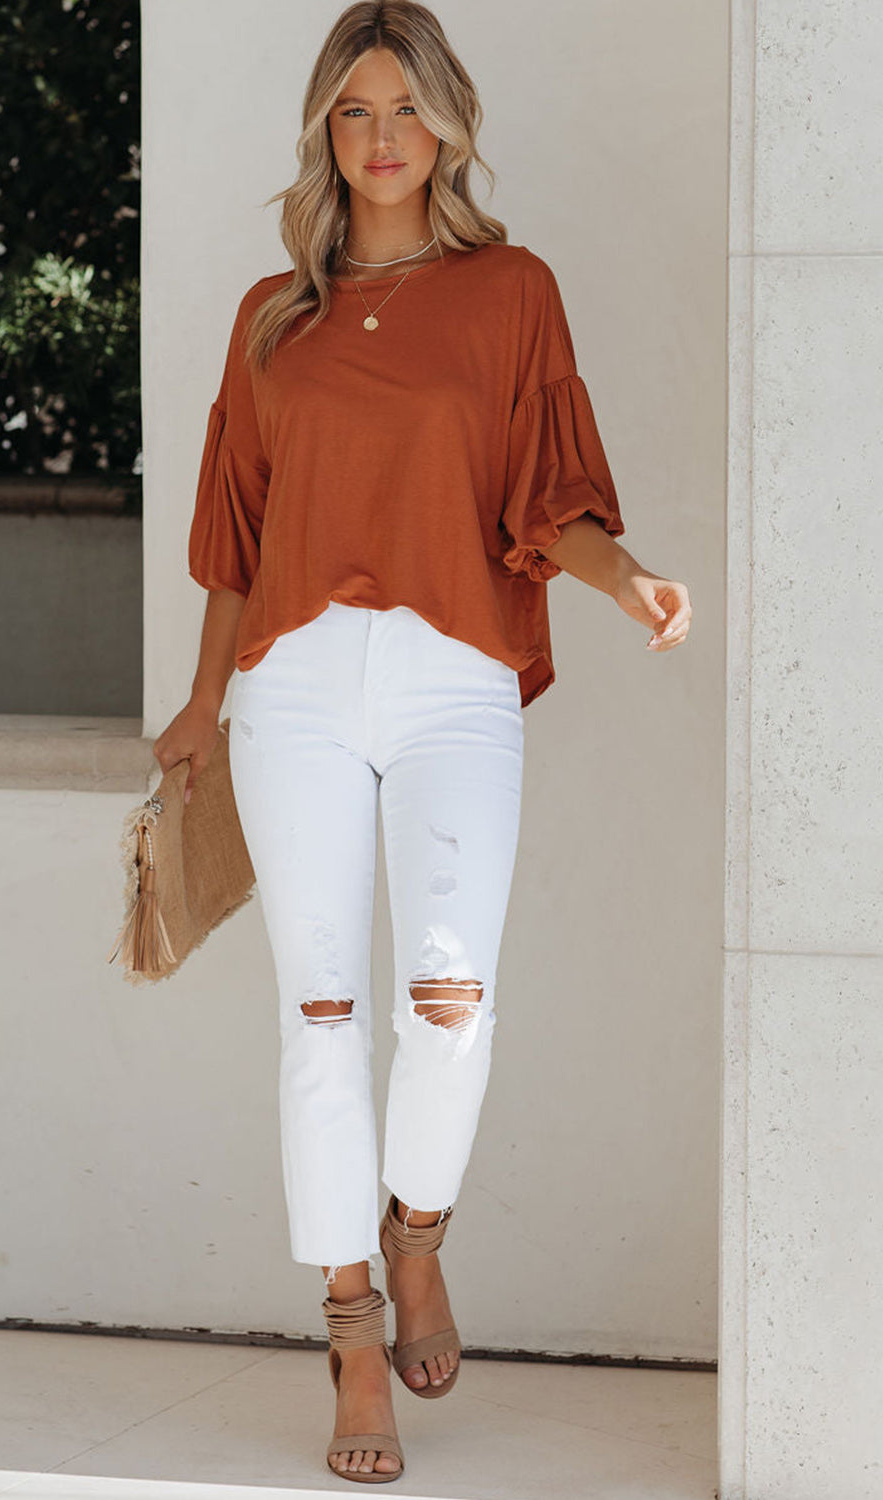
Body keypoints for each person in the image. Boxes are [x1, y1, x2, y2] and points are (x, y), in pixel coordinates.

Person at [153, 0, 692, 1484]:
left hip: (454, 679)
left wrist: (627, 577)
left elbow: (547, 494)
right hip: (295, 687)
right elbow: (236, 531)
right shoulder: (273, 316)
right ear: (324, 132)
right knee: (321, 1019)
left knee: (449, 1006)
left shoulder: (512, 291)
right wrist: (201, 702)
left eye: (406, 108)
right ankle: (348, 1329)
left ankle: (417, 1231)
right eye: (354, 110)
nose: (381, 137)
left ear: (447, 124)